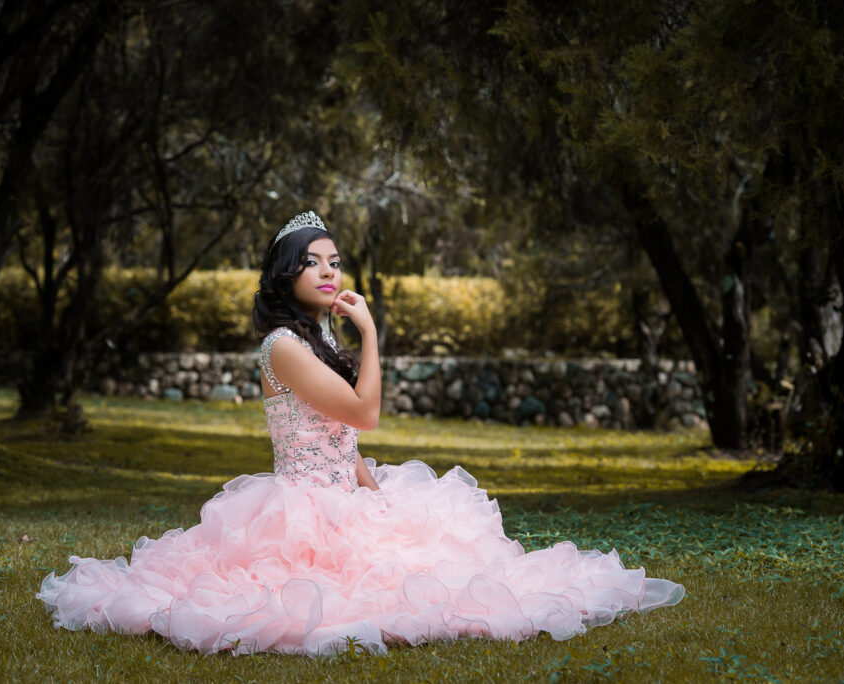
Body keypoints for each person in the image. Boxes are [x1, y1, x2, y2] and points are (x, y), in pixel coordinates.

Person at [37, 210, 684, 656]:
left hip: (344, 489)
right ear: (285, 273)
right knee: (330, 595)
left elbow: (341, 439)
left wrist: (374, 488)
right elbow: (363, 413)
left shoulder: (318, 335)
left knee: (437, 557)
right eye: (311, 262)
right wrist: (372, 333)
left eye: (335, 262)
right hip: (300, 510)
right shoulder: (284, 345)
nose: (328, 273)